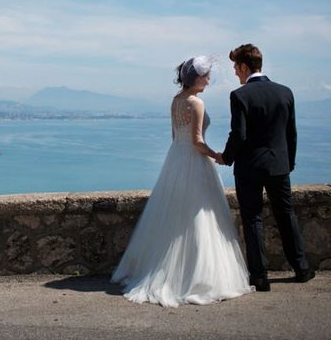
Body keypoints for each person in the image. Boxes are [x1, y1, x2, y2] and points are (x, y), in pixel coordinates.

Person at [111, 56, 253, 307]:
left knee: (174, 215)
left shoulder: (176, 100)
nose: (209, 80)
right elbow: (197, 141)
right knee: (197, 217)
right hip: (195, 162)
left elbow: (175, 136)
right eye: (207, 75)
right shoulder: (196, 103)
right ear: (196, 78)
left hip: (176, 158)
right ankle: (196, 276)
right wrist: (217, 156)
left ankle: (168, 270)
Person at [215, 44, 315, 292]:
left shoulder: (240, 96)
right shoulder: (285, 92)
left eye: (236, 68)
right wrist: (288, 163)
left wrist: (226, 158)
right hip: (279, 166)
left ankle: (259, 276)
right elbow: (291, 133)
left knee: (252, 219)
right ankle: (301, 268)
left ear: (245, 67)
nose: (235, 73)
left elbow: (239, 134)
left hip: (249, 168)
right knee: (286, 214)